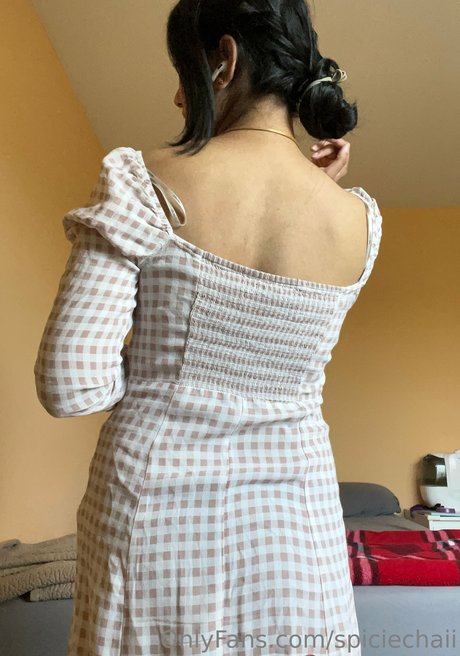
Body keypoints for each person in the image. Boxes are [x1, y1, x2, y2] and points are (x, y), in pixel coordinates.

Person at [33, 1, 382, 654]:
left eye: (182, 70)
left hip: (151, 515)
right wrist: (310, 187)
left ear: (224, 58)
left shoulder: (142, 181)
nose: (178, 94)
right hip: (296, 529)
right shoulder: (357, 219)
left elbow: (70, 384)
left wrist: (166, 363)